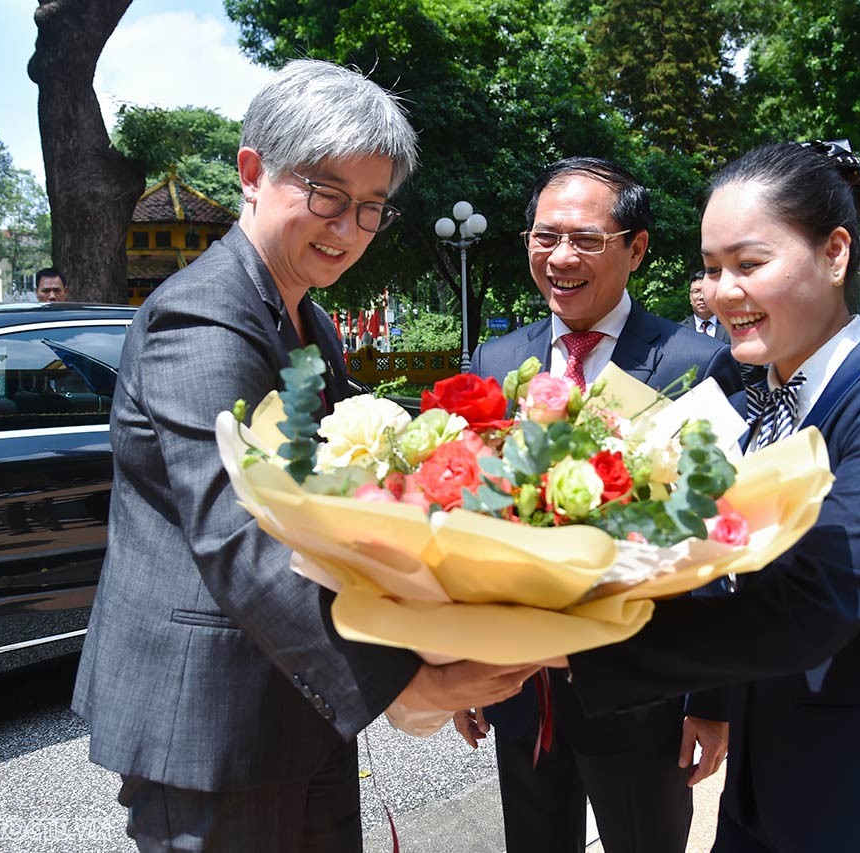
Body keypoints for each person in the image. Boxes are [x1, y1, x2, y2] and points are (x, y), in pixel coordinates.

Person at [72, 60, 536, 853]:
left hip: (300, 700)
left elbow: (335, 498)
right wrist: (406, 679)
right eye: (326, 193)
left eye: (371, 207)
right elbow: (236, 530)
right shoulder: (204, 318)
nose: (347, 228)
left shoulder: (308, 321)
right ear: (253, 172)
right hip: (212, 719)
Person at [559, 142, 860, 851]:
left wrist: (579, 644)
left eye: (749, 264)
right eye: (711, 268)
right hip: (767, 788)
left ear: (835, 254)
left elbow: (815, 602)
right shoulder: (741, 395)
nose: (723, 291)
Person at [456, 156, 744, 853]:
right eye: (545, 236)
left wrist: (710, 699)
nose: (561, 257)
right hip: (522, 688)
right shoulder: (496, 361)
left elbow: (719, 537)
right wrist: (462, 661)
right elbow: (470, 520)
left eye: (586, 239)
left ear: (636, 249)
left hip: (644, 693)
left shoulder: (692, 363)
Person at [685, 269, 730, 343]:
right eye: (696, 291)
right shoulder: (680, 329)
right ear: (690, 297)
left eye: (706, 291)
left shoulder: (732, 326)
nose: (701, 297)